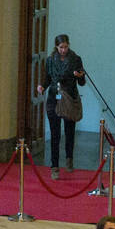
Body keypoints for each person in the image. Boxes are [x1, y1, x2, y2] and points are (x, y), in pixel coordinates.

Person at [42, 33, 86, 171]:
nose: (63, 50)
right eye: (61, 47)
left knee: (69, 132)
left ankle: (69, 159)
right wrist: (42, 86)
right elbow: (47, 78)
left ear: (69, 46)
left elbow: (82, 82)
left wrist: (80, 76)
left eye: (66, 47)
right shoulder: (50, 60)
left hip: (69, 97)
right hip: (54, 98)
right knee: (55, 133)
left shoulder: (76, 59)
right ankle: (54, 165)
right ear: (56, 47)